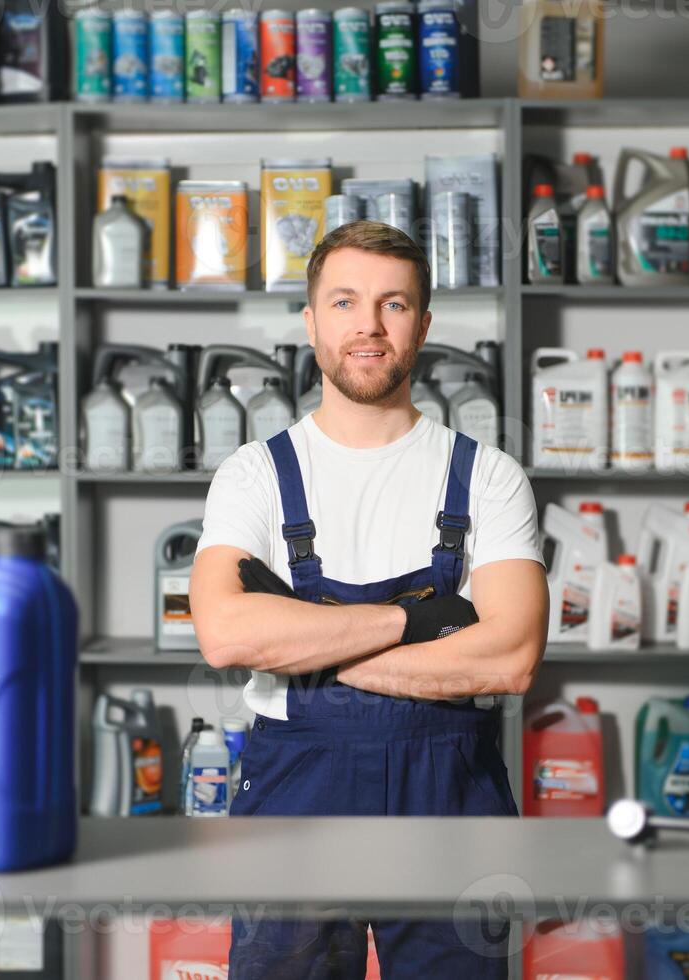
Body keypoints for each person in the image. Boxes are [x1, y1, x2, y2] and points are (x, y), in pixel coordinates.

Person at [190, 220, 548, 978]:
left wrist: (305, 643)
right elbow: (224, 633)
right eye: (345, 301)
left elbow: (510, 657)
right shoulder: (253, 475)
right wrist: (421, 623)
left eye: (393, 304)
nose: (368, 326)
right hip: (296, 785)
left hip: (448, 786)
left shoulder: (488, 476)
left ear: (422, 323)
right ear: (311, 321)